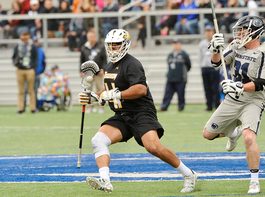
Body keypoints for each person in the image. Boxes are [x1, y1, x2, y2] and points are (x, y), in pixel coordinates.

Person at [77, 29, 197, 194]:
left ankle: (188, 174)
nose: (113, 47)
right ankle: (105, 180)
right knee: (98, 140)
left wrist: (115, 94)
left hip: (141, 112)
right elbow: (107, 91)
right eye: (110, 44)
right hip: (122, 115)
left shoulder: (132, 63)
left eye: (117, 44)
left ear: (125, 45)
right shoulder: (109, 66)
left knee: (153, 148)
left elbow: (140, 89)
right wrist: (93, 97)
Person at [203, 16, 265, 194]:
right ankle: (233, 133)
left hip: (253, 99)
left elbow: (262, 83)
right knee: (208, 134)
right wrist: (214, 49)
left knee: (249, 138)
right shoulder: (236, 45)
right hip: (232, 99)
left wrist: (240, 86)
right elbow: (216, 63)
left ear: (255, 32)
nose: (240, 33)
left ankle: (254, 180)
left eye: (244, 29)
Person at [159, 38, 191, 112]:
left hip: (180, 78)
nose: (175, 45)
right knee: (167, 94)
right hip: (171, 78)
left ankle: (181, 107)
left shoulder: (184, 54)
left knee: (181, 94)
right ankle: (164, 107)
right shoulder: (170, 55)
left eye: (177, 43)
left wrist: (183, 73)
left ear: (180, 44)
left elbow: (189, 65)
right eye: (174, 43)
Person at [80, 31, 107, 113]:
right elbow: (81, 60)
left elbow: (104, 59)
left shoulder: (101, 46)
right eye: (90, 37)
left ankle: (101, 106)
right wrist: (81, 70)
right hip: (88, 73)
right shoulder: (84, 47)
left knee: (100, 88)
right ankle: (89, 107)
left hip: (98, 72)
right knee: (88, 90)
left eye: (93, 36)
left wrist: (103, 69)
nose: (92, 38)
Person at [12, 30, 38, 114]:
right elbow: (13, 57)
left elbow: (35, 58)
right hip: (20, 69)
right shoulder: (17, 46)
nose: (25, 37)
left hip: (29, 69)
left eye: (26, 35)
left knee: (31, 90)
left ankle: (33, 108)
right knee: (21, 90)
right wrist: (15, 63)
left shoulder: (32, 46)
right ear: (21, 36)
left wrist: (34, 68)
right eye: (23, 35)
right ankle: (20, 108)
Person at [198, 25, 220, 111]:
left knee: (215, 88)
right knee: (207, 88)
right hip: (205, 68)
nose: (208, 33)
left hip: (214, 68)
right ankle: (209, 106)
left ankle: (217, 105)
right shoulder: (202, 44)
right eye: (206, 31)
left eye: (210, 31)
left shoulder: (217, 42)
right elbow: (200, 56)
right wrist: (201, 66)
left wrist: (218, 67)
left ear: (213, 31)